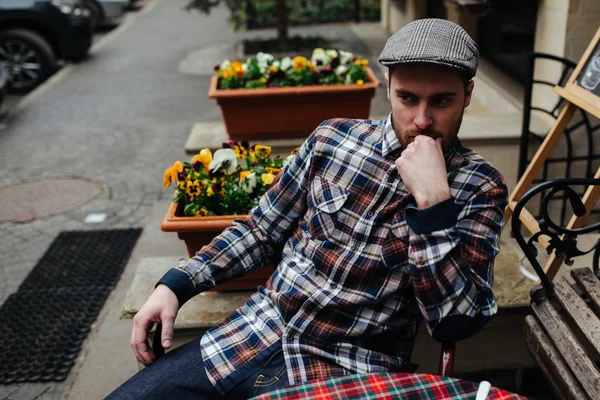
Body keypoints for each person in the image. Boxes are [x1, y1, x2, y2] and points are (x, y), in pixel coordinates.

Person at [108, 18, 508, 399]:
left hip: (348, 367)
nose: (421, 120)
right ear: (388, 85)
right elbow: (261, 232)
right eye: (407, 98)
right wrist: (176, 285)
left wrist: (434, 203)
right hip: (252, 333)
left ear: (468, 95)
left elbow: (454, 321)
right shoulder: (332, 139)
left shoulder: (479, 188)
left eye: (441, 101)